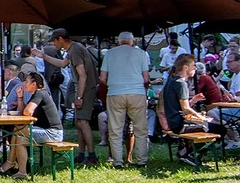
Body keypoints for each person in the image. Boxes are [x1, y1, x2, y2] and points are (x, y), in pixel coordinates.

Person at [34, 28, 99, 166]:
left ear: (60, 39)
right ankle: (81, 154)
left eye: (54, 41)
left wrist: (79, 97)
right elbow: (62, 63)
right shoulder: (73, 49)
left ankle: (92, 156)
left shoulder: (75, 50)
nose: (53, 45)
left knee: (83, 122)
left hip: (85, 89)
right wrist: (44, 56)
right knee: (78, 122)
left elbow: (83, 75)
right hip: (82, 88)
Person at [0, 72, 64, 179]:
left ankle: (10, 162)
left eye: (27, 82)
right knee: (19, 139)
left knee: (18, 129)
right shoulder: (37, 94)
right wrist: (20, 98)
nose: (24, 84)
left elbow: (27, 112)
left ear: (34, 84)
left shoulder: (40, 93)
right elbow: (23, 111)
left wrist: (25, 107)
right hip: (45, 130)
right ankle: (21, 172)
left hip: (53, 133)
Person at [99, 32, 151, 168]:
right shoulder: (141, 54)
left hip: (115, 92)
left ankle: (117, 161)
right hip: (137, 92)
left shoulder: (109, 54)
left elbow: (102, 78)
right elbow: (146, 78)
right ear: (132, 42)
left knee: (115, 128)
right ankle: (142, 160)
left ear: (119, 41)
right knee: (140, 128)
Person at [161, 54, 224, 167]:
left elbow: (179, 105)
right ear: (186, 67)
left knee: (210, 125)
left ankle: (187, 151)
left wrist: (193, 100)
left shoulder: (171, 81)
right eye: (193, 66)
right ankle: (188, 154)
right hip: (180, 125)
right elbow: (185, 109)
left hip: (173, 122)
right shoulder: (181, 83)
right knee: (220, 129)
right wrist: (201, 118)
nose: (195, 68)